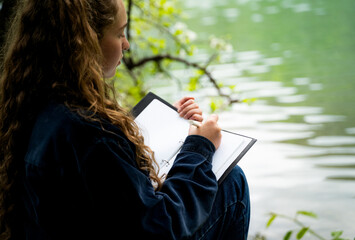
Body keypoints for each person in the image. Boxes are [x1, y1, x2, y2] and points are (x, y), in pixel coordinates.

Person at [0, 0, 250, 239]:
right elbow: (160, 227)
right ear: (85, 41)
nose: (127, 44)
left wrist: (165, 122)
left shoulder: (33, 104)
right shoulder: (90, 133)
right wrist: (199, 148)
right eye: (119, 33)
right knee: (233, 183)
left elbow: (105, 177)